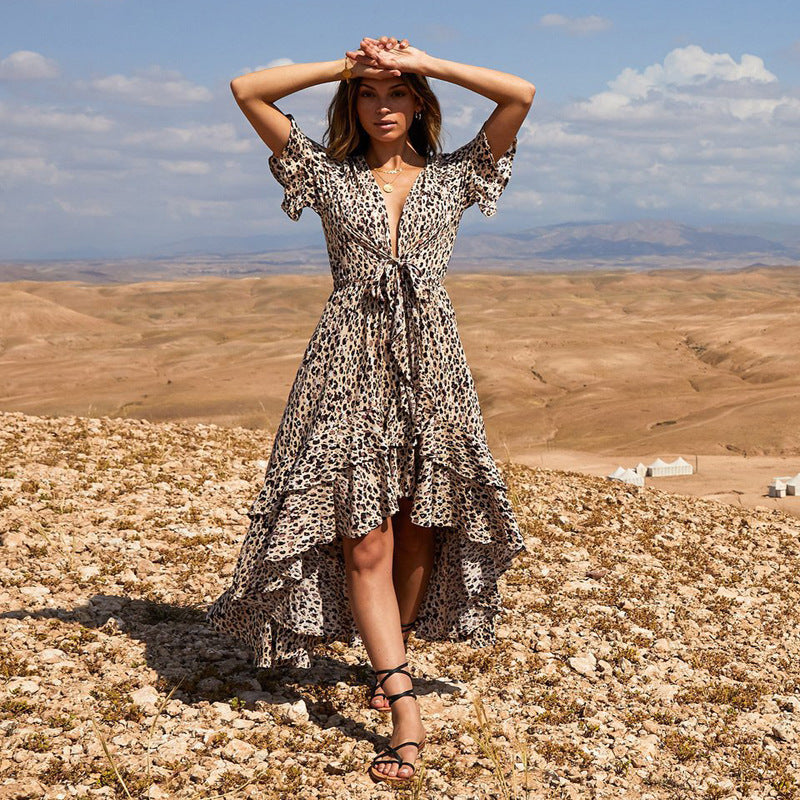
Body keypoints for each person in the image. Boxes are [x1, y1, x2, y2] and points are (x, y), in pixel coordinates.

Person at [206, 35, 534, 785]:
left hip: (432, 370)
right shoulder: (324, 173)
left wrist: (424, 60)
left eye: (396, 94)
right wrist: (348, 64)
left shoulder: (456, 176)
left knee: (421, 533)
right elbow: (247, 87)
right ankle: (403, 705)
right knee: (365, 541)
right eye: (367, 94)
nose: (381, 106)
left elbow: (520, 95)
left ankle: (394, 653)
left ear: (419, 104)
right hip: (345, 365)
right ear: (351, 101)